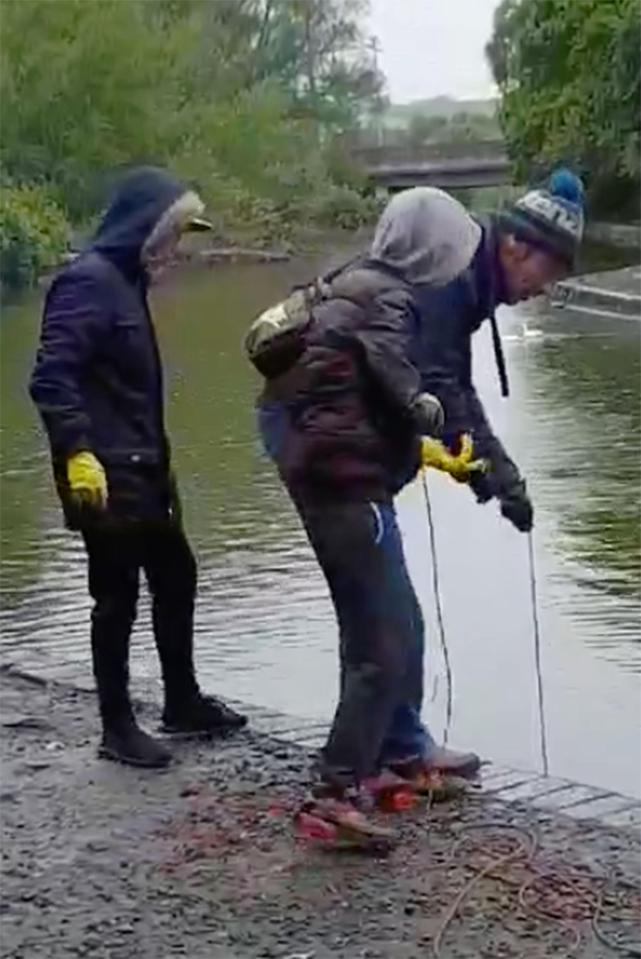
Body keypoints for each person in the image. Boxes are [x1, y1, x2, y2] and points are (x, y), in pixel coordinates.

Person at [251, 189, 488, 847]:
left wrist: (419, 452)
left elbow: (345, 384)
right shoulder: (384, 298)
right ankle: (333, 792)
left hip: (343, 475)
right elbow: (388, 369)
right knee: (376, 644)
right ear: (434, 250)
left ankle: (396, 757)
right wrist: (423, 408)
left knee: (399, 622)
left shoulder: (352, 281)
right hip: (343, 488)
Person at [30, 167, 246, 770]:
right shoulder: (87, 283)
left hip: (144, 467)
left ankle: (181, 702)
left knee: (176, 575)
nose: (177, 250)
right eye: (174, 236)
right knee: (115, 596)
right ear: (145, 229)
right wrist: (75, 452)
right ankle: (117, 728)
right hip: (101, 471)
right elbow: (52, 377)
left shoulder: (126, 282)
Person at [413, 167, 585, 533]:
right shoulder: (454, 274)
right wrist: (499, 478)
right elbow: (439, 385)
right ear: (516, 245)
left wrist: (503, 480)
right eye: (549, 269)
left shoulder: (473, 275)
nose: (545, 288)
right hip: (321, 419)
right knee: (382, 591)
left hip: (338, 427)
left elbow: (454, 385)